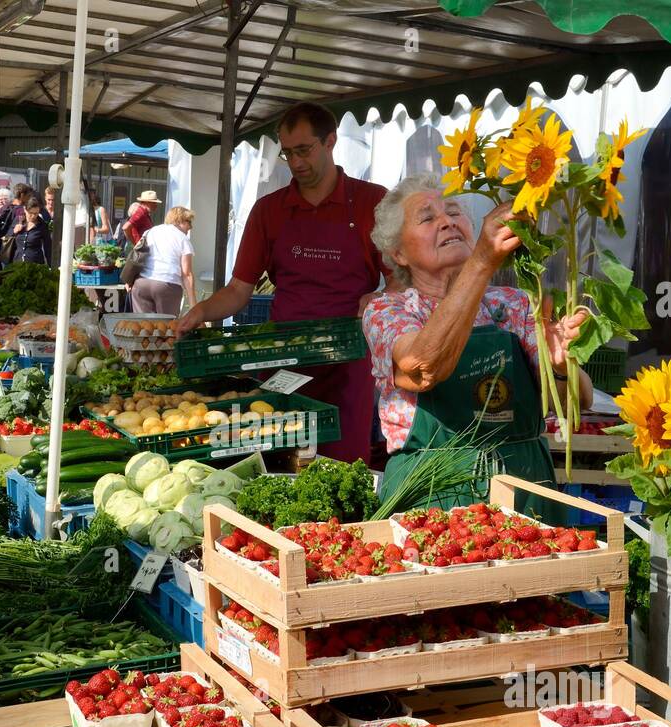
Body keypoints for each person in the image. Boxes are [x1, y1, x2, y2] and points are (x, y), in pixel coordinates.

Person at [363, 174, 591, 518]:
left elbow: (578, 402)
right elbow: (423, 367)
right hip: (433, 492)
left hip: (526, 485)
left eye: (454, 213)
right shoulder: (388, 311)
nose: (447, 222)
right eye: (428, 217)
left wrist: (561, 367)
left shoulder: (513, 304)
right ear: (399, 253)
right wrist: (483, 261)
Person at [174, 102, 390, 463]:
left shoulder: (373, 201)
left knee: (344, 463)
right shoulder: (269, 210)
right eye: (287, 153)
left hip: (348, 362)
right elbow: (239, 290)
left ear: (331, 141)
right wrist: (200, 311)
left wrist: (379, 296)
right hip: (284, 359)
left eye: (304, 150)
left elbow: (400, 279)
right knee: (280, 459)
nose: (296, 163)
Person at [130, 205, 196, 314]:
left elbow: (136, 255)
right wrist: (193, 304)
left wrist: (130, 278)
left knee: (143, 327)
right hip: (167, 285)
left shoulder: (150, 231)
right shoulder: (183, 239)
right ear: (180, 220)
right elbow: (187, 274)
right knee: (167, 328)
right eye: (189, 222)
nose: (190, 227)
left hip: (142, 283)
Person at [11, 197, 50, 263]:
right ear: (25, 210)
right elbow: (6, 237)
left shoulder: (42, 226)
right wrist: (14, 231)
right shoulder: (18, 221)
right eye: (30, 213)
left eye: (36, 213)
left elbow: (48, 247)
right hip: (17, 262)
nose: (33, 216)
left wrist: (50, 266)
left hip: (35, 264)